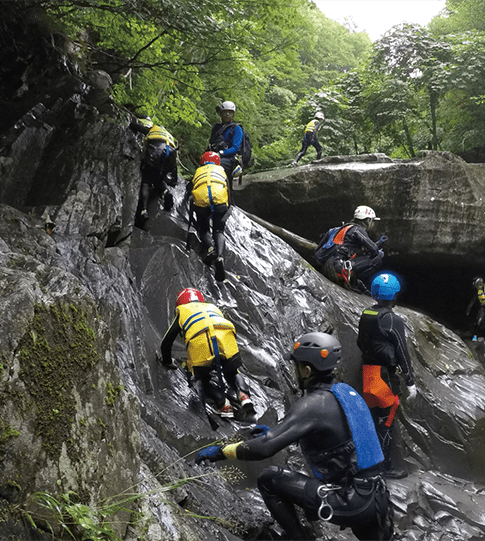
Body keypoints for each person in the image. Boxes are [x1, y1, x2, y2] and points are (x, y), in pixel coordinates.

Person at [195, 332, 393, 541]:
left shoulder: (314, 403)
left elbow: (265, 448)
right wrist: (281, 432)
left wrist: (220, 451)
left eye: (297, 366)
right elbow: (333, 438)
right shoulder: (345, 392)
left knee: (269, 479)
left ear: (306, 371)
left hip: (350, 500)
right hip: (376, 498)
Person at [160, 288, 256, 425]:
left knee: (201, 380)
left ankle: (223, 403)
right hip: (226, 337)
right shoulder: (212, 306)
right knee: (232, 372)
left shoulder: (182, 311)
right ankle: (244, 396)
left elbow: (167, 341)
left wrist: (167, 361)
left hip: (201, 341)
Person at [357, 273, 416, 479]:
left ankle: (367, 463)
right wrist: (410, 380)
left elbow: (359, 343)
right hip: (384, 377)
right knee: (386, 422)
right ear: (394, 296)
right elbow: (401, 350)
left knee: (373, 421)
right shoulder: (392, 319)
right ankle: (384, 467)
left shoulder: (367, 314)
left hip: (368, 374)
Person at [314, 205, 385, 293]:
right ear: (368, 220)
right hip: (338, 269)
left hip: (327, 268)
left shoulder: (339, 229)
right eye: (372, 221)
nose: (373, 224)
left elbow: (317, 251)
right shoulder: (357, 229)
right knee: (377, 259)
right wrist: (379, 252)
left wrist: (379, 243)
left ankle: (352, 280)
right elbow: (373, 250)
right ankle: (352, 282)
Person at [188, 151, 231, 282]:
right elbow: (227, 189)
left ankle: (210, 248)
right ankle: (219, 256)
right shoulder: (221, 170)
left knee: (204, 229)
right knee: (218, 230)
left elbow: (190, 187)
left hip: (201, 201)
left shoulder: (199, 170)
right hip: (219, 201)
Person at [129, 116, 178, 226]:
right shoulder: (166, 135)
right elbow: (174, 166)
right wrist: (174, 180)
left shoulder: (152, 130)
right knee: (158, 177)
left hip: (155, 153)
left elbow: (135, 126)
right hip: (170, 153)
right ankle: (166, 192)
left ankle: (143, 210)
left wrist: (131, 123)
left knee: (146, 181)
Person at [207, 100, 244, 183]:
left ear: (233, 114)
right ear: (221, 113)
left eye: (230, 112)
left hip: (230, 158)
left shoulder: (236, 129)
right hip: (214, 156)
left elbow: (235, 147)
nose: (227, 114)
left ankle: (227, 192)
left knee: (217, 167)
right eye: (225, 112)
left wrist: (222, 153)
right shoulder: (216, 128)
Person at [465, 276, 485, 340]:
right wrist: (468, 309)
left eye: (477, 286)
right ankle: (475, 335)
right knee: (479, 320)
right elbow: (473, 299)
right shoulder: (478, 291)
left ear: (481, 284)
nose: (476, 288)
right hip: (483, 307)